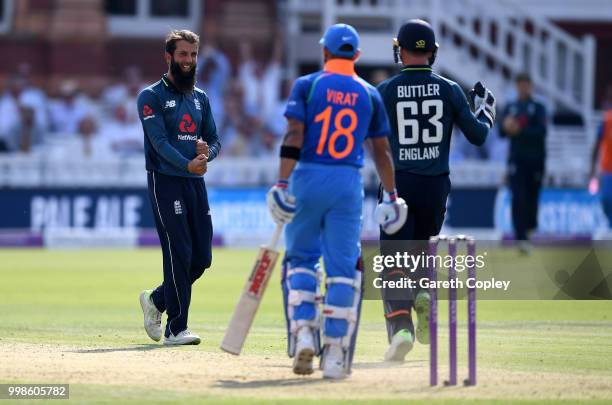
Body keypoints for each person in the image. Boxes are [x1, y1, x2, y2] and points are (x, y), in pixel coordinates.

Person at [267, 24, 407, 379]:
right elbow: (381, 151)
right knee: (344, 271)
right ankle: (335, 354)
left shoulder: (308, 85)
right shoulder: (369, 93)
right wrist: (391, 194)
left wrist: (282, 182)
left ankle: (302, 336)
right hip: (347, 182)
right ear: (357, 56)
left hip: (308, 177)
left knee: (300, 260)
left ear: (325, 53)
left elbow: (294, 134)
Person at [376, 19, 495, 361]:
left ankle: (402, 330)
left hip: (398, 185)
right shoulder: (449, 89)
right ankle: (424, 291)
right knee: (421, 251)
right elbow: (479, 135)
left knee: (394, 260)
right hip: (436, 186)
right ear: (433, 52)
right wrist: (486, 112)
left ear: (401, 49)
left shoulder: (385, 90)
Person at [137, 29, 221, 346]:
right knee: (179, 251)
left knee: (201, 258)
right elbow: (158, 143)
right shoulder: (151, 96)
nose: (189, 61)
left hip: (195, 183)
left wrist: (206, 154)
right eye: (183, 54)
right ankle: (176, 328)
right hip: (166, 181)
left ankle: (156, 300)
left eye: (194, 54)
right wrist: (187, 163)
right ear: (169, 57)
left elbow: (214, 140)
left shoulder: (200, 98)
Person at [500, 73, 547, 253]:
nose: (523, 88)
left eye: (526, 84)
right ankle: (520, 237)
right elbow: (502, 133)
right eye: (520, 84)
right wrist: (506, 127)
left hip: (536, 159)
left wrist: (519, 130)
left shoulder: (538, 107)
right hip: (516, 160)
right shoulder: (511, 107)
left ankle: (529, 228)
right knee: (518, 197)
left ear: (530, 86)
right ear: (516, 86)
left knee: (532, 198)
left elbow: (541, 132)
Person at [589, 103, 612, 228]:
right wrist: (592, 168)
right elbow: (597, 145)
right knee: (607, 199)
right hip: (609, 168)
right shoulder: (607, 120)